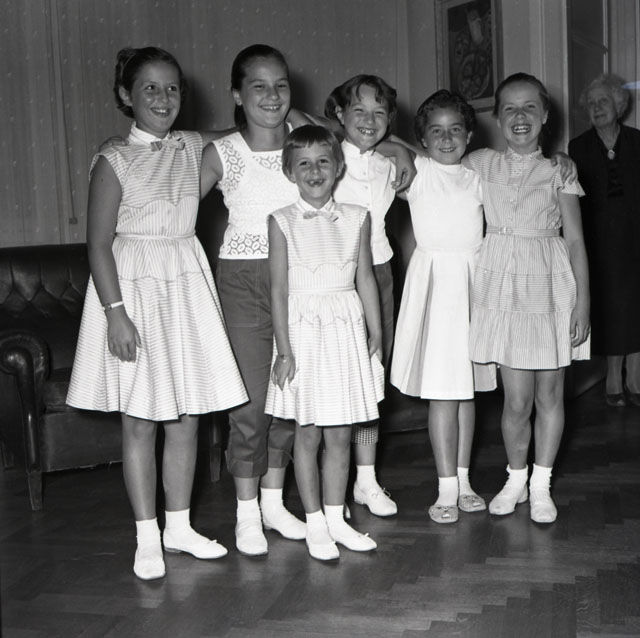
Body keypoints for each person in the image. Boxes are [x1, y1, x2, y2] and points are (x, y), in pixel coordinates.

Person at [66, 47, 248, 580]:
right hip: (134, 291)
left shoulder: (192, 145)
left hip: (185, 284)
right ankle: (147, 537)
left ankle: (179, 528)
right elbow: (98, 245)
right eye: (150, 88)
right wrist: (116, 314)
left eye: (172, 89)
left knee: (188, 417)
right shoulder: (114, 158)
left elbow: (257, 130)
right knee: (141, 419)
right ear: (126, 95)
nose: (164, 99)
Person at [467, 73, 590, 524]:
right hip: (503, 288)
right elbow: (426, 157)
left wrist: (583, 302)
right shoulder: (479, 164)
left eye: (529, 108)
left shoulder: (560, 170)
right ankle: (515, 478)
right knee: (516, 400)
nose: (520, 117)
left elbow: (575, 241)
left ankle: (541, 484)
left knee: (550, 394)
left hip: (551, 286)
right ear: (497, 118)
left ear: (545, 115)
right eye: (510, 109)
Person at [199, 45, 307, 556]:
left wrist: (397, 149)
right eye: (258, 86)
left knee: (290, 396)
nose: (271, 95)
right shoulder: (222, 153)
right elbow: (175, 209)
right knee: (251, 402)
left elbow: (360, 136)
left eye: (280, 84)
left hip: (301, 278)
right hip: (243, 280)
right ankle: (246, 514)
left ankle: (273, 504)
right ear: (237, 95)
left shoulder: (306, 142)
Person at [265, 125, 384, 560]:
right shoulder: (281, 220)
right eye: (304, 164)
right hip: (303, 333)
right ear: (289, 172)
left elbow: (365, 277)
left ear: (338, 168)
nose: (314, 171)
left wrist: (376, 330)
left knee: (341, 432)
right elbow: (278, 289)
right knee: (308, 431)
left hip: (345, 329)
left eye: (323, 162)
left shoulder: (357, 216)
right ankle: (314, 522)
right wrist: (284, 350)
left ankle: (336, 519)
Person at [390, 90, 497, 524]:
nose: (447, 138)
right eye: (436, 131)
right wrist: (403, 149)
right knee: (442, 391)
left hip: (473, 284)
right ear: (423, 138)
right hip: (434, 288)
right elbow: (368, 140)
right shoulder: (417, 172)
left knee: (467, 390)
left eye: (456, 130)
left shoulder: (478, 178)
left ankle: (465, 481)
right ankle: (445, 486)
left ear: (470, 135)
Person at [323, 75, 400, 517]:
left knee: (372, 376)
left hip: (380, 273)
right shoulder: (327, 158)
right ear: (339, 115)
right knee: (333, 381)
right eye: (358, 111)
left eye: (379, 112)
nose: (369, 121)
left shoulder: (391, 165)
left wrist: (401, 149)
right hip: (333, 281)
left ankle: (366, 481)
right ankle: (331, 484)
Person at [568, 74, 640, 408]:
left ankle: (635, 378)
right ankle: (613, 377)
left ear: (619, 105)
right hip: (599, 242)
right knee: (611, 308)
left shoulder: (638, 141)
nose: (597, 108)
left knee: (636, 306)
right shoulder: (578, 147)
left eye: (604, 101)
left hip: (635, 238)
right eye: (592, 103)